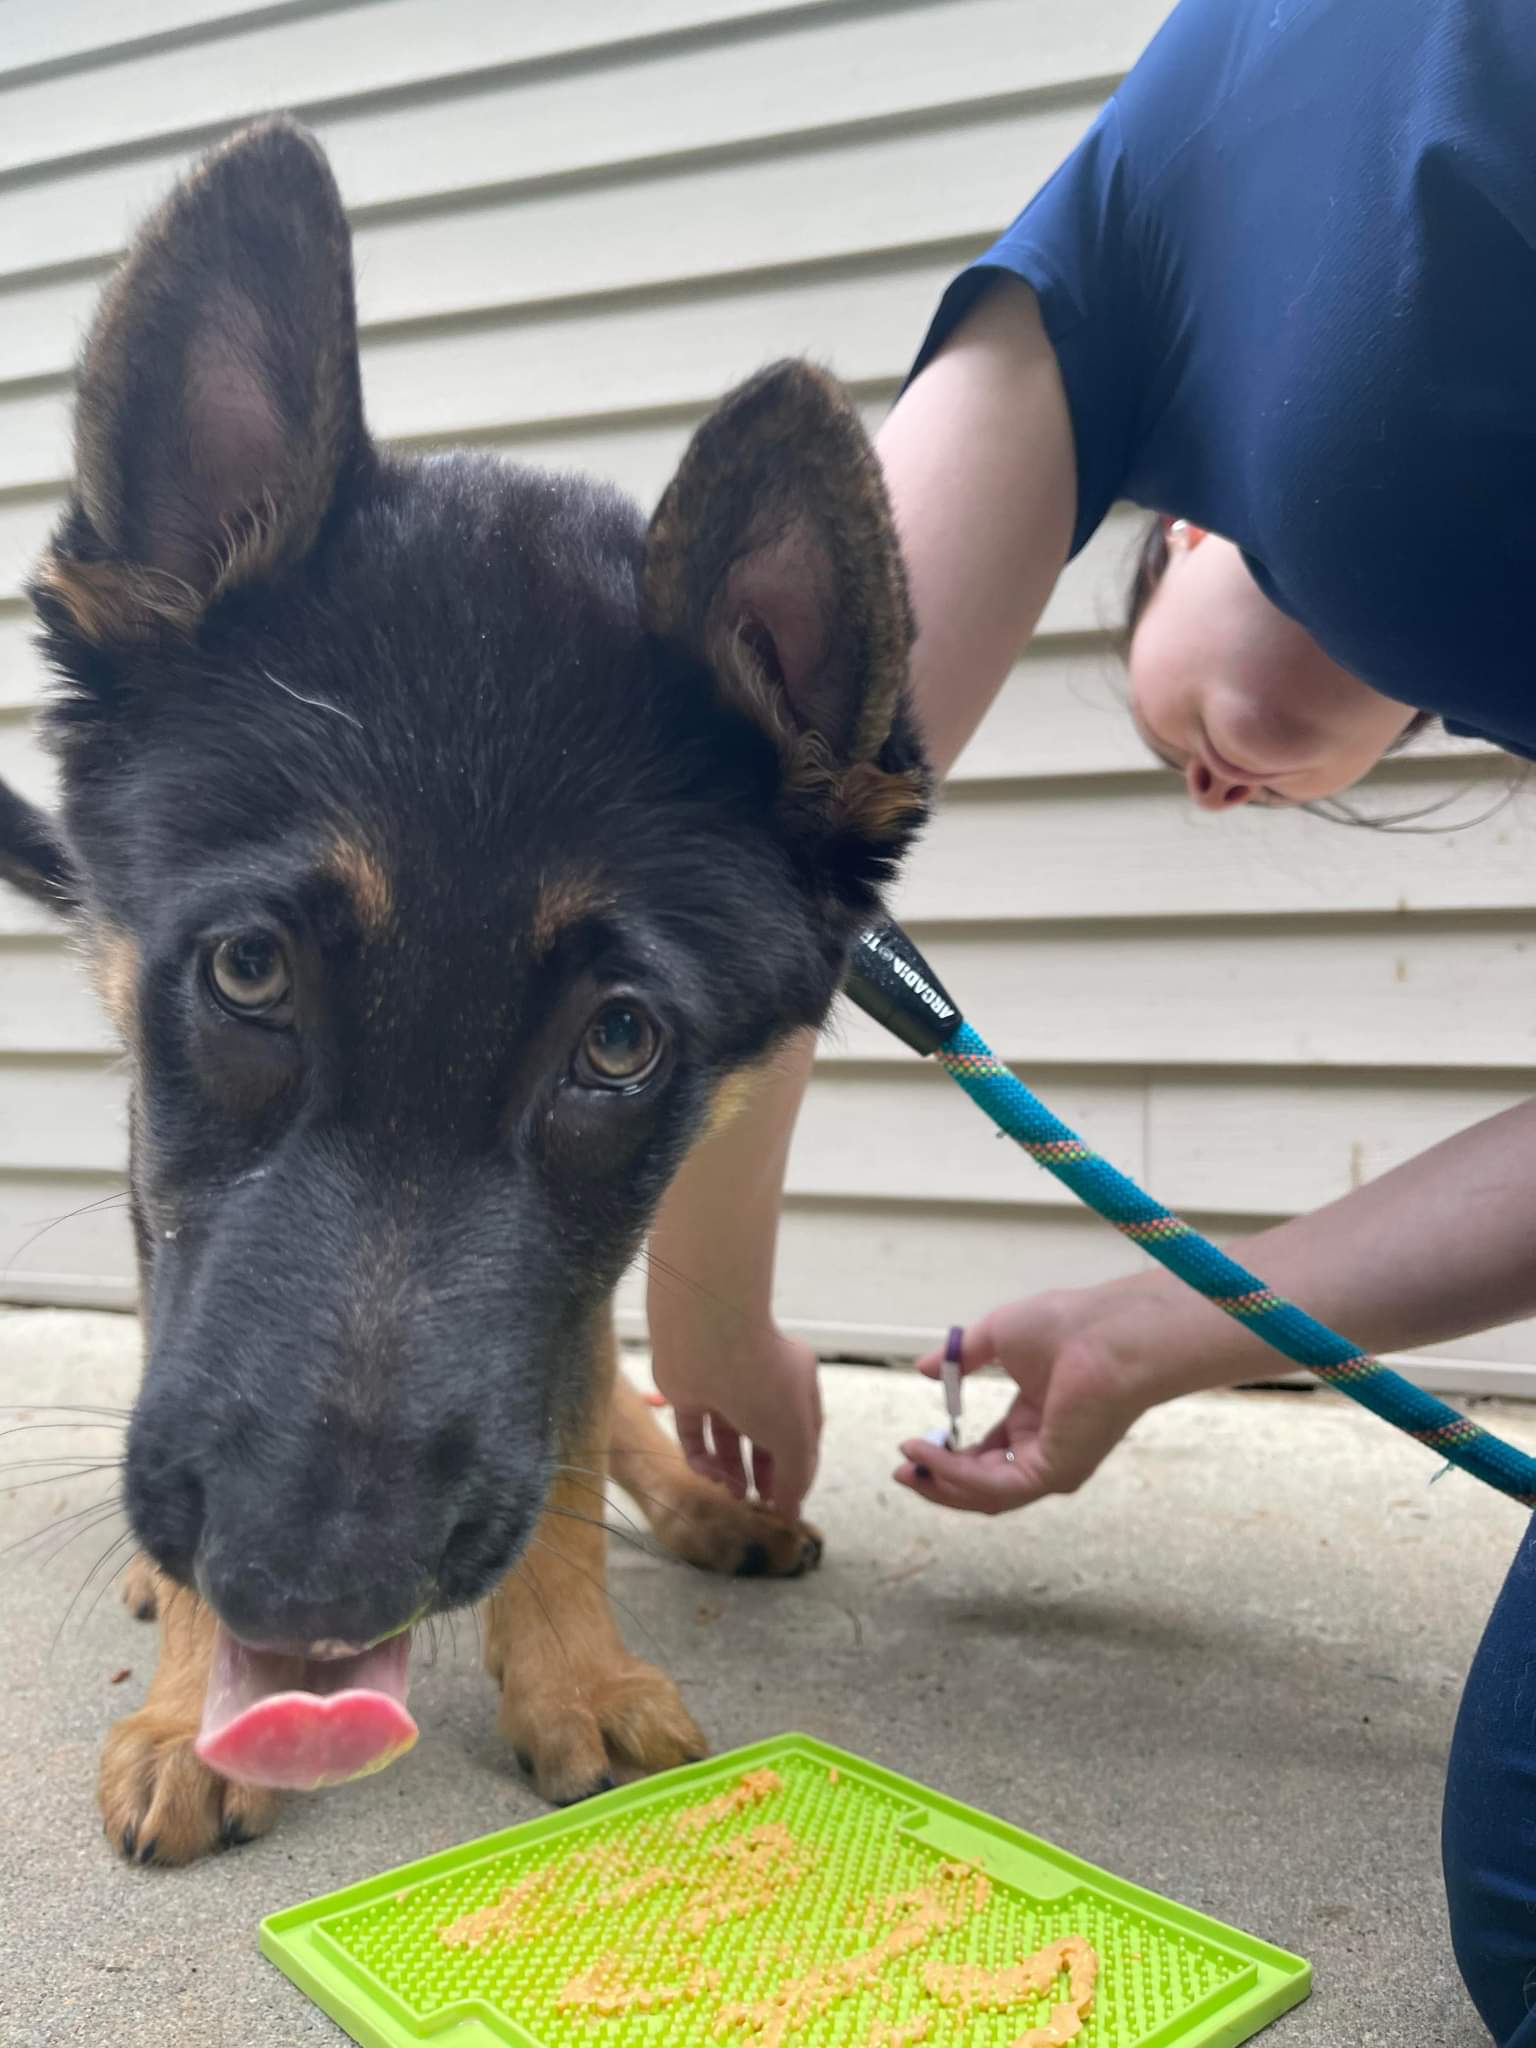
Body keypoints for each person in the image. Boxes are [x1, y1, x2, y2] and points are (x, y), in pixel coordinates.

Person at [644, 1, 1536, 2037]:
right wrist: (1150, 1336)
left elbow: (752, 824)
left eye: (1161, 703)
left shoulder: (1178, 169)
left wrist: (703, 1318)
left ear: (1198, 518)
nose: (1213, 782)